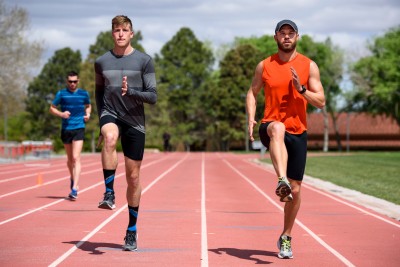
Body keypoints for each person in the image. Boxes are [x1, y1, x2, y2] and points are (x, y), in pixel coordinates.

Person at [246, 19, 325, 259]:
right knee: (277, 128)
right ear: (276, 37)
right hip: (270, 125)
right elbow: (252, 92)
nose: (287, 37)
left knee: (297, 189)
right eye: (283, 33)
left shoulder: (309, 66)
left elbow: (320, 101)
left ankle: (286, 236)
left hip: (298, 130)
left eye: (291, 33)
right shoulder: (265, 65)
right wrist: (251, 117)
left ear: (298, 37)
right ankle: (281, 180)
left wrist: (301, 89)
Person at [94, 15, 157, 251]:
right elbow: (98, 93)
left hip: (134, 121)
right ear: (112, 33)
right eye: (117, 30)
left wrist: (132, 92)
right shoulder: (101, 62)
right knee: (110, 137)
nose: (121, 33)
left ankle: (131, 230)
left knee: (133, 178)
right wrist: (101, 121)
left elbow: (153, 96)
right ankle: (109, 193)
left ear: (132, 33)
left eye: (125, 30)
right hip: (110, 114)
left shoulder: (144, 60)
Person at [49, 71, 91, 200]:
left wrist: (88, 114)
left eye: (75, 81)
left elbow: (88, 106)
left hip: (79, 127)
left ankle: (75, 189)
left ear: (78, 81)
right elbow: (52, 107)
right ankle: (73, 178)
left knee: (76, 157)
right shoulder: (61, 94)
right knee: (70, 160)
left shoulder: (84, 93)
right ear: (67, 82)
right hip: (66, 128)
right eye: (70, 82)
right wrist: (61, 114)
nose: (72, 84)